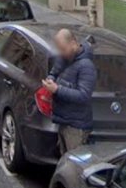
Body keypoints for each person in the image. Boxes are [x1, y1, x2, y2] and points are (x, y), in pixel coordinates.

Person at [41, 27, 96, 155]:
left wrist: (57, 89)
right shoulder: (65, 57)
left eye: (63, 49)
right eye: (59, 49)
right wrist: (50, 80)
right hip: (64, 121)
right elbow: (54, 72)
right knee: (65, 165)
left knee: (74, 168)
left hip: (76, 127)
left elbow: (83, 95)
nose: (61, 53)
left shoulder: (86, 66)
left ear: (73, 44)